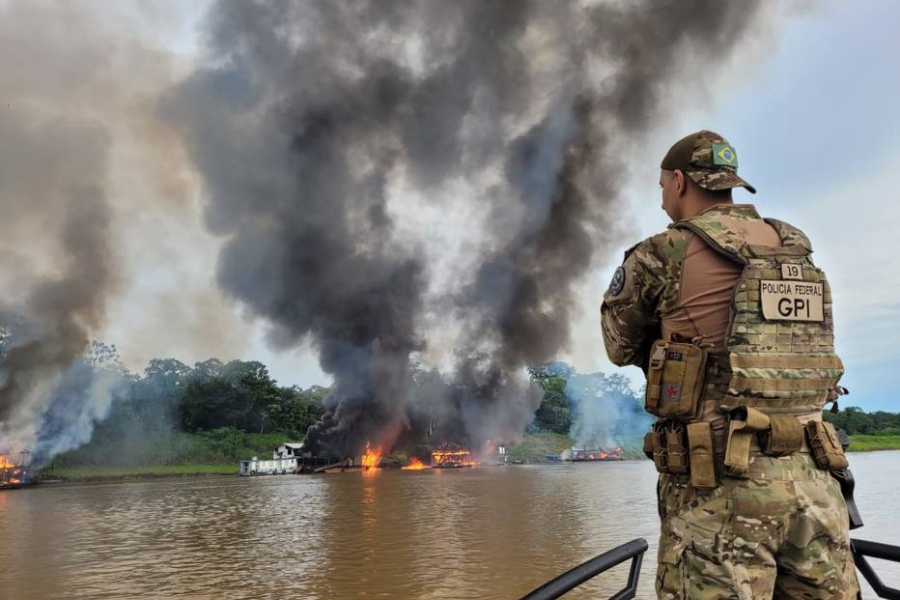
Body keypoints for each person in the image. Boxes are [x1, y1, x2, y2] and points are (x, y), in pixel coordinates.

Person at [601, 131, 859, 599]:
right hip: (816, 489)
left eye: (662, 187)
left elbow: (618, 345)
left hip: (720, 493)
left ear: (679, 181)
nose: (662, 201)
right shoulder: (793, 248)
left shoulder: (663, 252)